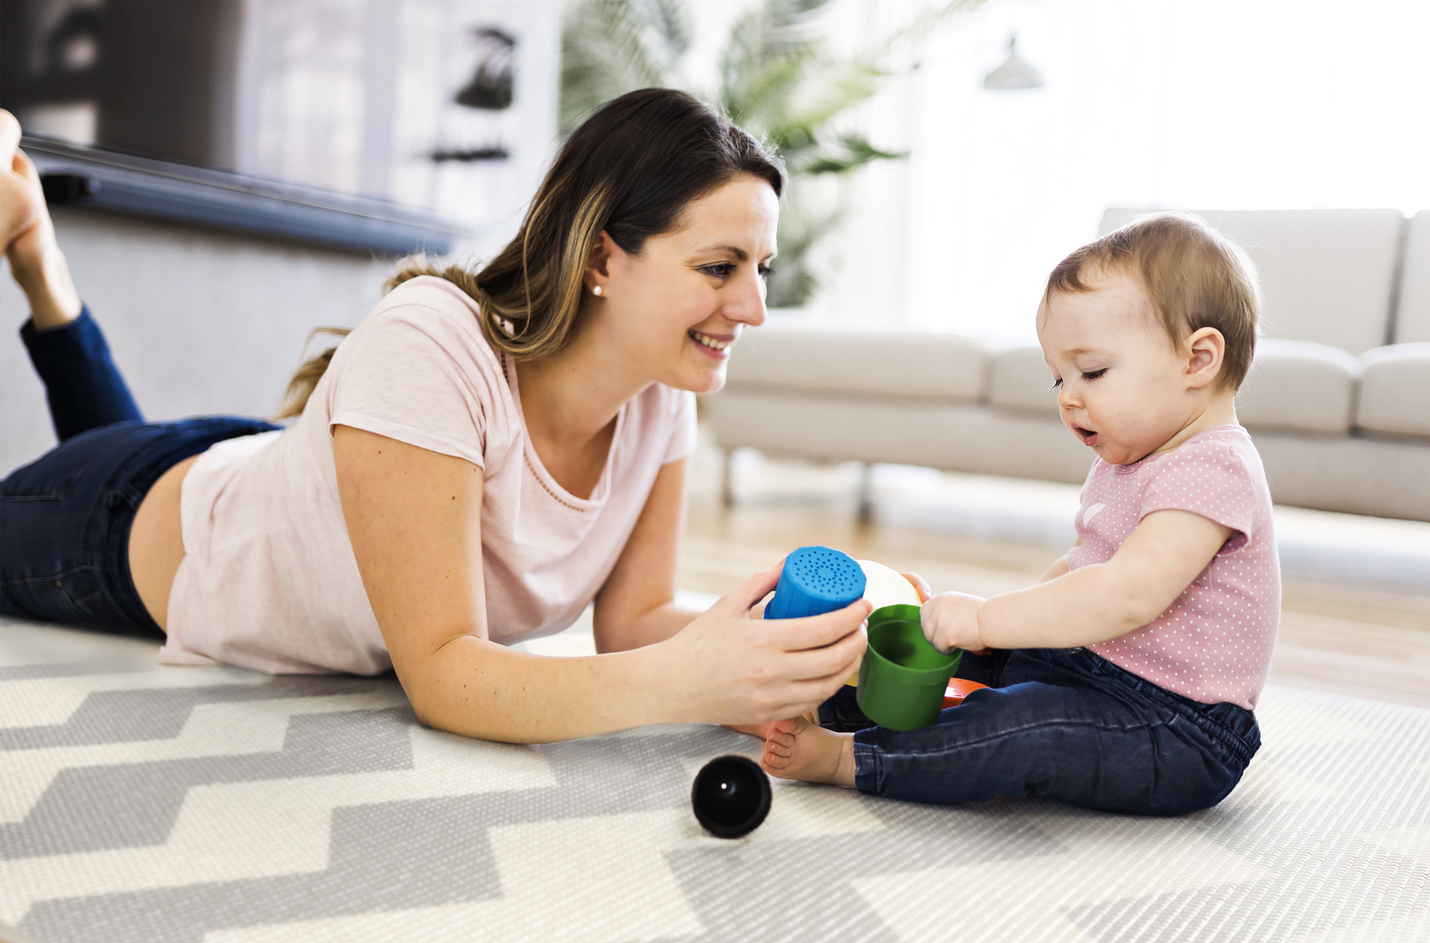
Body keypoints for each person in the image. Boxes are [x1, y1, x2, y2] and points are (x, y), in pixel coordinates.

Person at [0, 90, 874, 744]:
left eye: (761, 268)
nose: (753, 308)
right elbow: (446, 676)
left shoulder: (661, 393)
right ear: (603, 258)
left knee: (117, 436)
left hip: (273, 476)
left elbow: (635, 623)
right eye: (719, 267)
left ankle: (39, 259)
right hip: (115, 528)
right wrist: (687, 685)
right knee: (94, 461)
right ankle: (36, 253)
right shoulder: (429, 342)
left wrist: (786, 659)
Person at [761, 213, 1277, 816]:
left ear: (1198, 360)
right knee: (943, 650)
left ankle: (852, 759)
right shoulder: (1134, 454)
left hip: (1176, 726)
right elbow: (1082, 567)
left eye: (1093, 372)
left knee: (1023, 723)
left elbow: (1125, 594)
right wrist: (979, 628)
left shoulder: (1215, 467)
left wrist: (987, 620)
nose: (1068, 396)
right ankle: (829, 703)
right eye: (1059, 378)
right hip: (1091, 664)